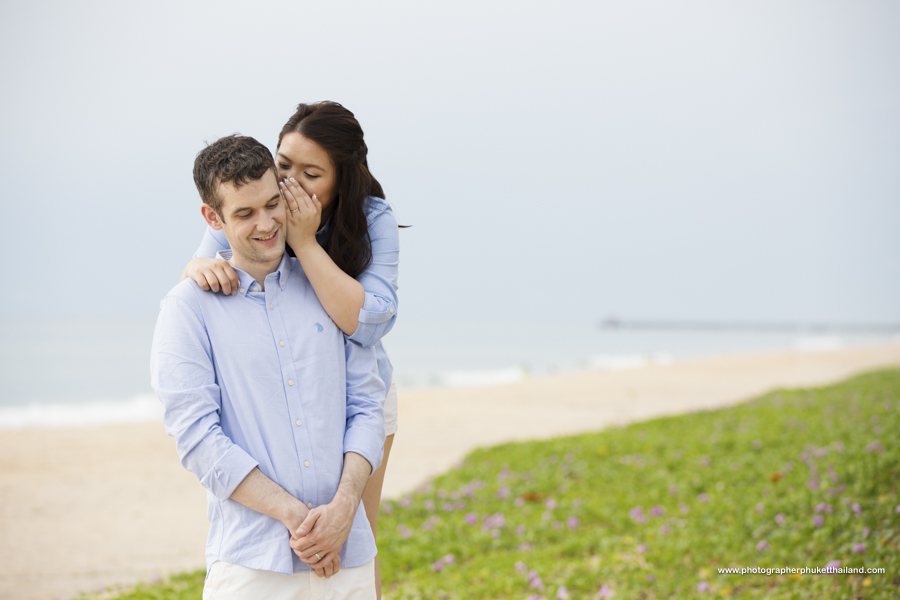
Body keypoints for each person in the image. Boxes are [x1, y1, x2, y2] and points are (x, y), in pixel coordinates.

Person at [182, 102, 400, 598]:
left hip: (359, 385)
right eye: (283, 165)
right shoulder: (259, 201)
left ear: (342, 179)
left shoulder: (370, 216)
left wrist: (305, 243)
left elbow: (369, 324)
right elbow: (197, 271)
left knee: (356, 534)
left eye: (311, 173)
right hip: (282, 388)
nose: (291, 184)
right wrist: (199, 269)